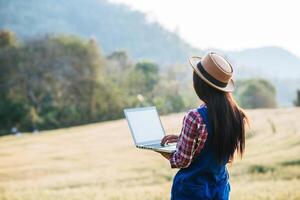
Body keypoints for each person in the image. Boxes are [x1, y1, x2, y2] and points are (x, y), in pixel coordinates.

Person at [157, 52, 249, 200]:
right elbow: (222, 153)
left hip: (191, 192)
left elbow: (182, 160)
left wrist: (164, 152)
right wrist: (182, 139)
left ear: (200, 84)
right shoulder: (237, 115)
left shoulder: (195, 117)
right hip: (220, 189)